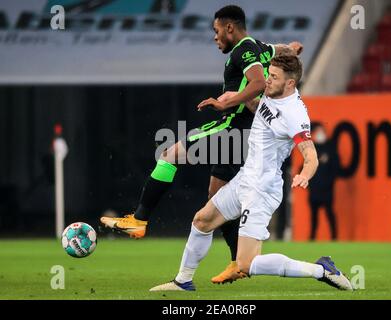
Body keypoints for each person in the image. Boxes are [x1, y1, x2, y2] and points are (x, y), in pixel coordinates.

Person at [101, 5, 303, 284]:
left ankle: (139, 219)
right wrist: (291, 49)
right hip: (245, 136)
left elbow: (258, 83)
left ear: (229, 27)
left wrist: (225, 101)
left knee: (169, 155)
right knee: (216, 198)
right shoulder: (258, 46)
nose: (215, 36)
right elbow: (279, 48)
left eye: (216, 30)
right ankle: (234, 262)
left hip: (230, 129)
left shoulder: (243, 50)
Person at [149, 53, 353, 292]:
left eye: (274, 77)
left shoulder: (295, 114)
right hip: (246, 178)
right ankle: (183, 281)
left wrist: (304, 175)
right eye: (269, 74)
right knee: (202, 221)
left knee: (245, 264)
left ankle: (322, 270)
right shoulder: (272, 93)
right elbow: (263, 111)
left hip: (262, 189)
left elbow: (311, 156)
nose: (267, 80)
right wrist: (236, 99)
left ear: (290, 83)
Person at [308, 124, 339, 241]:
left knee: (330, 214)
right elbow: (304, 167)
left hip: (327, 191)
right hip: (314, 190)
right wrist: (310, 184)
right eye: (317, 131)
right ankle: (312, 238)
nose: (320, 134)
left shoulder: (331, 149)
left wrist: (328, 184)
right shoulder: (311, 149)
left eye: (321, 131)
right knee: (314, 217)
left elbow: (336, 169)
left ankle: (334, 238)